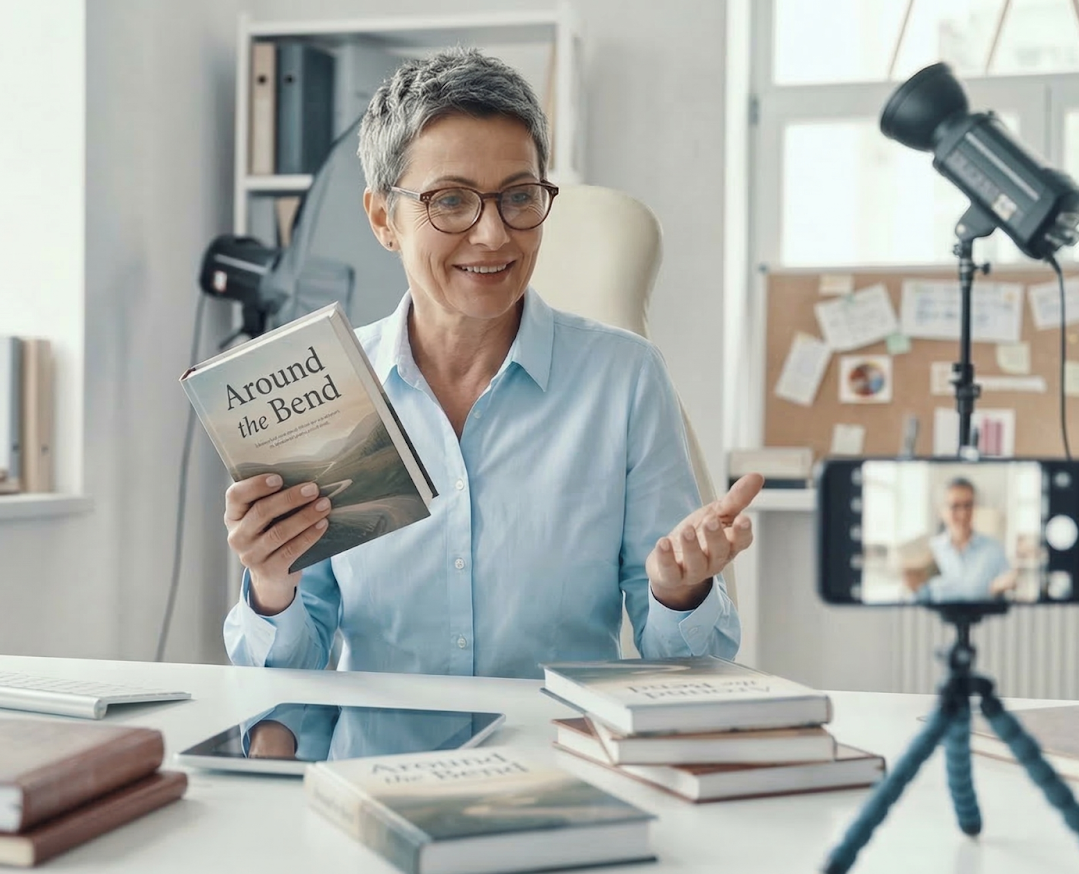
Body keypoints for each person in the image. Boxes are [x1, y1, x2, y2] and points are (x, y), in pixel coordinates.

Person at [221, 48, 761, 679]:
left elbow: (689, 666)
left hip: (556, 761)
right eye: (451, 201)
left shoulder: (624, 379)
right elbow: (290, 672)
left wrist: (679, 593)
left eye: (519, 197)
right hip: (377, 767)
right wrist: (270, 584)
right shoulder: (329, 390)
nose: (494, 235)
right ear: (382, 218)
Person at [924, 477, 1011, 601]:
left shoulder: (994, 549)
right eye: (954, 506)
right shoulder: (930, 551)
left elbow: (1006, 592)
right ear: (940, 511)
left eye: (968, 505)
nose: (963, 514)